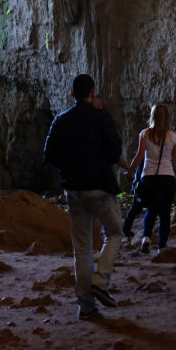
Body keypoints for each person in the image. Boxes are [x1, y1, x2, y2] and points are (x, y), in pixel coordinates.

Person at [42, 73, 123, 320]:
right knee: (116, 232)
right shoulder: (101, 117)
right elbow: (114, 152)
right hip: (98, 186)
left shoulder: (60, 120)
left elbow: (49, 154)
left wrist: (69, 167)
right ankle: (100, 280)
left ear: (71, 93)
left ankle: (86, 305)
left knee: (82, 247)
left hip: (73, 189)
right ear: (92, 92)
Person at [122, 103, 176, 252]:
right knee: (164, 213)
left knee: (151, 210)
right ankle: (162, 246)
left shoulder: (145, 134)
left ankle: (146, 239)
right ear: (167, 117)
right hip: (167, 178)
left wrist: (130, 170)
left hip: (148, 178)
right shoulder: (173, 136)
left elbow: (139, 155)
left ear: (152, 116)